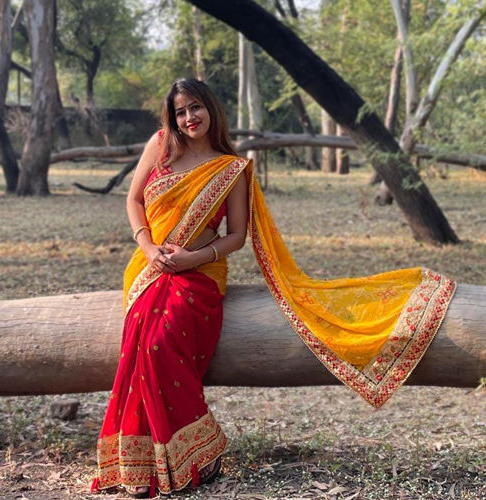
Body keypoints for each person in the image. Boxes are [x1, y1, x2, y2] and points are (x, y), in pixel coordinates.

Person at [92, 78, 456, 498]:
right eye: (180, 111)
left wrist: (193, 258)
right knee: (139, 345)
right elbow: (134, 200)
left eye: (196, 107)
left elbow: (236, 237)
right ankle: (142, 463)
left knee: (159, 345)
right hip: (149, 267)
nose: (189, 117)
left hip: (199, 275)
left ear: (211, 109)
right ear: (171, 117)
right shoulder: (160, 146)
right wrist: (148, 245)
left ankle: (197, 454)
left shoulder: (232, 168)